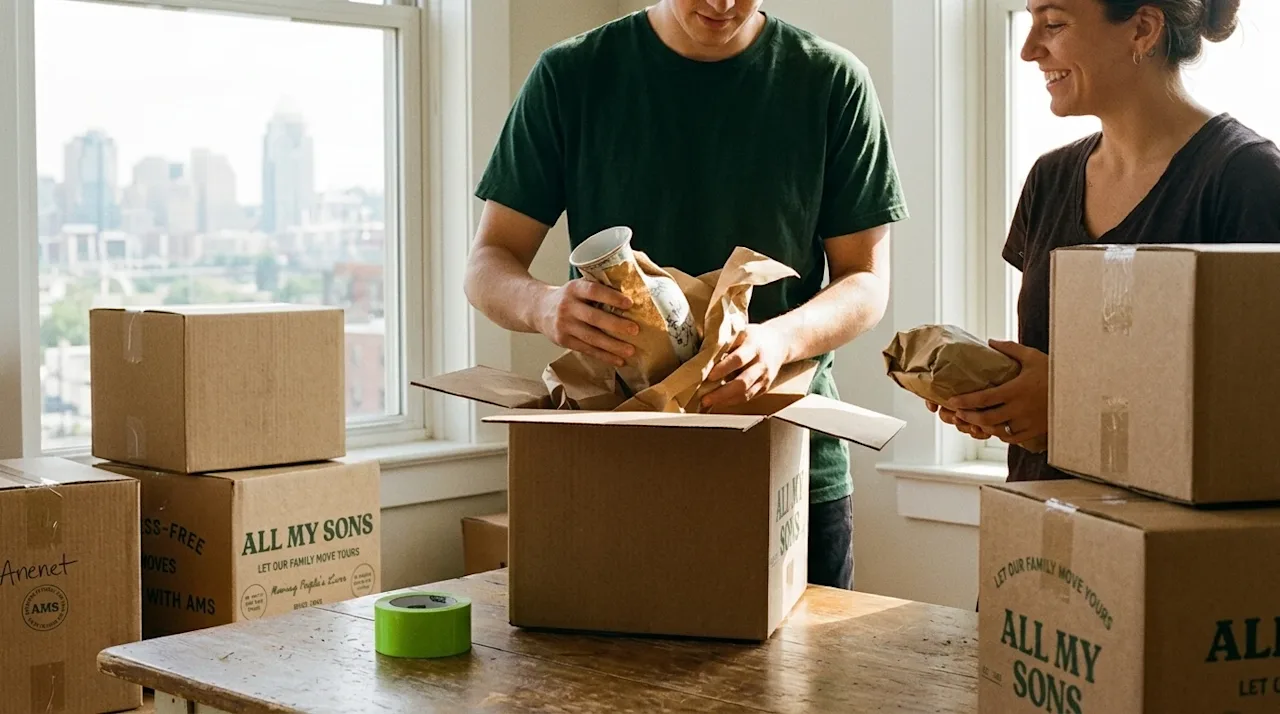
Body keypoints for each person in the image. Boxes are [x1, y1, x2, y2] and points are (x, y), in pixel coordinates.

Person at [463, 0, 908, 590]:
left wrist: (779, 340)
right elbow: (488, 263)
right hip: (621, 457)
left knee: (804, 683)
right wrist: (544, 305)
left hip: (785, 456)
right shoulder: (572, 76)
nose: (721, 4)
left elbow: (866, 281)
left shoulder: (830, 81)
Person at [927, 0, 1280, 482]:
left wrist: (1070, 404)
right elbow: (1055, 360)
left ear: (1142, 29)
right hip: (1041, 528)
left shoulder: (1245, 179)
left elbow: (1258, 407)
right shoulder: (1049, 179)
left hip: (1173, 540)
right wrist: (995, 396)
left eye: (1053, 24)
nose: (1029, 50)